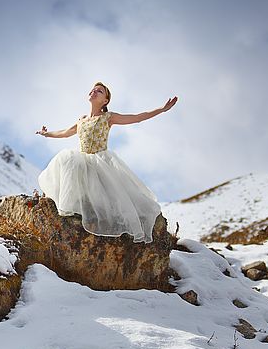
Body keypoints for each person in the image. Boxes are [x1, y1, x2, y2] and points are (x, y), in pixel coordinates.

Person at [35, 82, 177, 243]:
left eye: (99, 91)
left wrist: (161, 109)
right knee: (67, 159)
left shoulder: (108, 117)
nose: (94, 91)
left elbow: (137, 117)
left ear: (105, 100)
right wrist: (47, 134)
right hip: (81, 161)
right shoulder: (82, 120)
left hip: (100, 160)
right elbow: (65, 133)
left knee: (110, 196)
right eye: (93, 89)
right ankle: (72, 209)